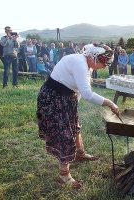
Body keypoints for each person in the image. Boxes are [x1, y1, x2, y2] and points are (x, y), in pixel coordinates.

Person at [37, 43, 119, 189]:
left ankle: (80, 153)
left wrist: (74, 109)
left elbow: (82, 90)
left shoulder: (86, 65)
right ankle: (64, 175)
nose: (104, 67)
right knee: (65, 135)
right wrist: (110, 103)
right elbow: (88, 94)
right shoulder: (80, 63)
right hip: (53, 98)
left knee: (75, 126)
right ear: (94, 58)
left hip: (66, 98)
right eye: (103, 63)